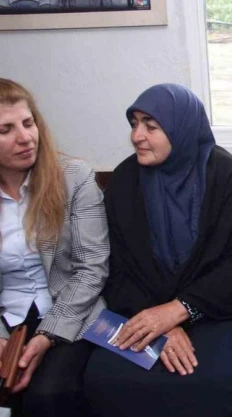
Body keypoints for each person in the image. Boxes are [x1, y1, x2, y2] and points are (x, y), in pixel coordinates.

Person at [83, 83, 232, 417]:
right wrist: (160, 320)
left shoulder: (224, 174)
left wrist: (180, 309)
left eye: (151, 126)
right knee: (105, 378)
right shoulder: (125, 180)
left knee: (211, 383)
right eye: (134, 124)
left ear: (182, 129)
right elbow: (115, 268)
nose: (137, 136)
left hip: (220, 310)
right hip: (143, 308)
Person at [0, 78, 108, 416]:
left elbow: (92, 269)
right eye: (5, 130)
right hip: (7, 318)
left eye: (28, 123)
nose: (25, 137)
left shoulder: (74, 177)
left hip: (69, 313)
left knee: (47, 395)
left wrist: (47, 335)